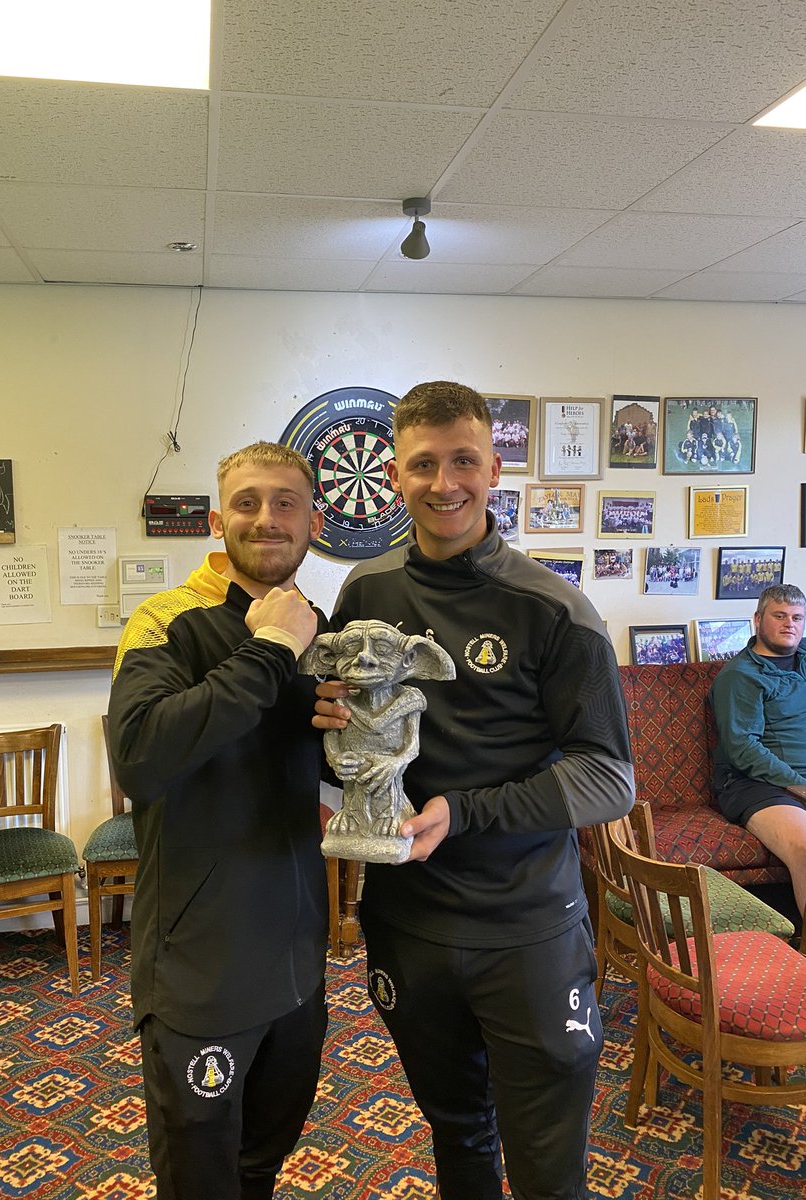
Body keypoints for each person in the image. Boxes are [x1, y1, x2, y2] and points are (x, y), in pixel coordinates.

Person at [313, 381, 635, 1200]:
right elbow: (345, 733)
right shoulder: (366, 595)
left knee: (546, 1162)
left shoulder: (555, 609)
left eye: (464, 460)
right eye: (424, 463)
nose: (444, 481)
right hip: (408, 920)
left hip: (526, 925)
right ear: (393, 474)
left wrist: (466, 813)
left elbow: (609, 779)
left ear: (495, 468)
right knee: (456, 1131)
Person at [108, 441, 329, 1200]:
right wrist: (269, 651)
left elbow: (316, 766)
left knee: (259, 1169)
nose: (266, 520)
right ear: (216, 519)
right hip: (200, 972)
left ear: (313, 521)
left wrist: (347, 731)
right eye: (247, 503)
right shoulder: (166, 622)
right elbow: (139, 756)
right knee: (200, 1184)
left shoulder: (314, 626)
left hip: (298, 962)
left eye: (286, 503)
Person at [710, 583, 806, 945]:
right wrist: (797, 784)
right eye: (779, 616)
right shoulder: (741, 676)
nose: (789, 625)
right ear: (757, 620)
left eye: (797, 618)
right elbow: (743, 749)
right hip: (757, 785)